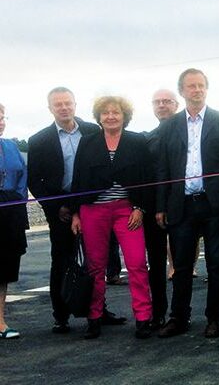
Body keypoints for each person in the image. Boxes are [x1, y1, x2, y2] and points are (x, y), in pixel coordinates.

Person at [27, 87, 126, 334]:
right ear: (50, 108)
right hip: (59, 209)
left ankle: (98, 310)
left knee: (96, 259)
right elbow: (34, 181)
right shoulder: (38, 141)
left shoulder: (93, 131)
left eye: (67, 103)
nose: (64, 108)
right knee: (61, 261)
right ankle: (60, 315)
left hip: (92, 204)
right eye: (58, 104)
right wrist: (56, 206)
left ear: (75, 104)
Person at [156, 68, 219, 339]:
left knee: (217, 264)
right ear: (182, 91)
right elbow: (163, 169)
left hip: (214, 205)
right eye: (191, 86)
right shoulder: (169, 126)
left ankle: (215, 318)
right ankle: (178, 317)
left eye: (201, 85)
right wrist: (161, 206)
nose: (196, 90)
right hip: (181, 205)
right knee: (181, 266)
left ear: (207, 88)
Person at [70, 96, 155, 340]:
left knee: (137, 262)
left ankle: (143, 318)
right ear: (99, 117)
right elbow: (78, 178)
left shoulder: (137, 141)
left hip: (126, 210)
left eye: (115, 112)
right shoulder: (87, 142)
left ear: (124, 115)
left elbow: (147, 178)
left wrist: (140, 208)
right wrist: (76, 212)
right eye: (105, 112)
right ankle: (94, 317)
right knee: (95, 267)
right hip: (93, 210)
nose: (110, 116)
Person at [142, 88, 179, 328]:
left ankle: (179, 312)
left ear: (176, 104)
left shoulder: (188, 132)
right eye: (157, 102)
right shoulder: (147, 139)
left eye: (167, 101)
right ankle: (158, 312)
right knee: (156, 263)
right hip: (154, 209)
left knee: (182, 264)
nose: (162, 105)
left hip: (183, 206)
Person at [0, 104, 28, 339]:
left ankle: (0, 320)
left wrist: (17, 201)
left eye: (2, 117)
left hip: (10, 210)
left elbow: (22, 176)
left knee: (4, 268)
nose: (0, 122)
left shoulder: (11, 146)